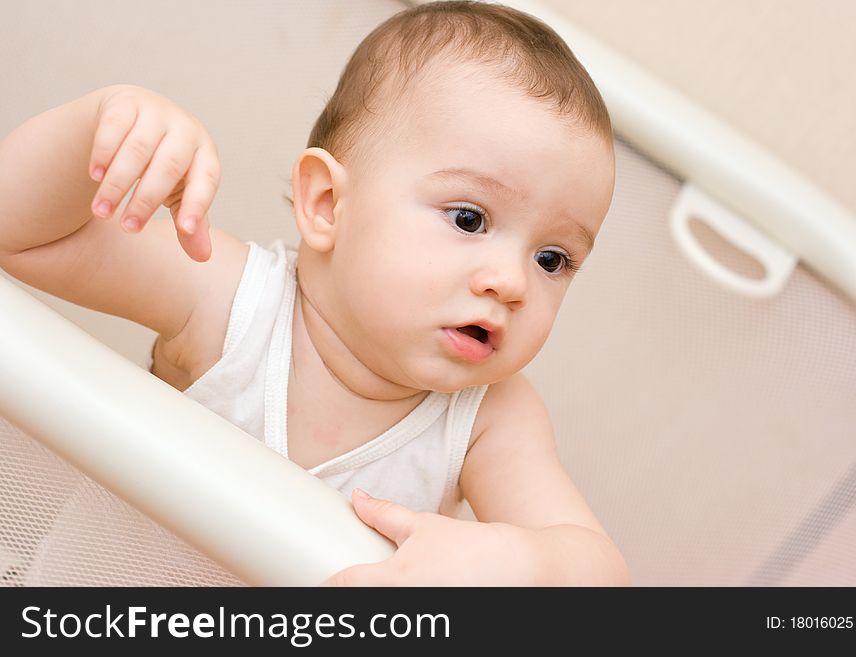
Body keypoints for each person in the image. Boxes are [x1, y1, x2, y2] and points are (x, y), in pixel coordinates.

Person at [0, 1, 626, 585]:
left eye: (553, 259)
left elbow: (602, 578)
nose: (512, 282)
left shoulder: (486, 420)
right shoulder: (228, 301)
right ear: (328, 204)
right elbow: (20, 236)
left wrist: (521, 562)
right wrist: (100, 124)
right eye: (469, 219)